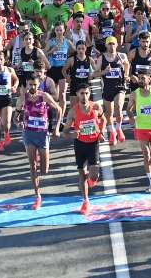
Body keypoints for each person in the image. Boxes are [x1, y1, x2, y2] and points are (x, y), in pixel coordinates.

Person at [15, 74, 62, 210]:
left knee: (44, 170)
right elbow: (16, 117)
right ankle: (37, 196)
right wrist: (18, 123)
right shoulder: (22, 98)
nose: (33, 87)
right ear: (26, 85)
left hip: (42, 135)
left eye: (35, 85)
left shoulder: (44, 96)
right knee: (33, 166)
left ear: (39, 85)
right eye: (30, 85)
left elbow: (59, 109)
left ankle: (41, 167)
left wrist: (56, 128)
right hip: (29, 134)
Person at [62, 83, 107, 214]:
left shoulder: (96, 107)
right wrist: (72, 134)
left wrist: (101, 133)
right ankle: (85, 201)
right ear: (77, 94)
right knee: (81, 172)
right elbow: (64, 132)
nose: (84, 96)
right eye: (82, 93)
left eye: (86, 93)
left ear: (89, 94)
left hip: (93, 143)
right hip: (80, 144)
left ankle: (90, 180)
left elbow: (104, 120)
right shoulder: (73, 111)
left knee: (94, 176)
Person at [93, 36, 130, 145]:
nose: (111, 46)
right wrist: (104, 72)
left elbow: (127, 64)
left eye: (113, 44)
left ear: (117, 45)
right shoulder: (101, 58)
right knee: (109, 113)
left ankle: (118, 128)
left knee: (118, 108)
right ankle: (112, 132)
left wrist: (126, 75)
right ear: (106, 45)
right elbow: (94, 74)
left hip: (119, 87)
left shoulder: (121, 56)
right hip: (107, 88)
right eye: (109, 44)